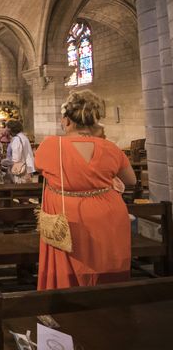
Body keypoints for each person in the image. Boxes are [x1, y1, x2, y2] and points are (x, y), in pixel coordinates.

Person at [35, 90, 136, 290]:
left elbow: (42, 168)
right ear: (94, 120)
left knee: (67, 278)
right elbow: (131, 180)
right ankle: (108, 317)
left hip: (69, 220)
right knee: (107, 271)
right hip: (108, 218)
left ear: (66, 120)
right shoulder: (110, 147)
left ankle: (66, 318)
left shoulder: (50, 146)